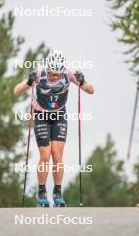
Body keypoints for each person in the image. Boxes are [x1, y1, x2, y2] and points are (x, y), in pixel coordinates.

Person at [14, 50, 94, 207]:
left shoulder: (69, 74)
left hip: (59, 116)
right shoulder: (39, 74)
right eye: (52, 74)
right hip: (42, 115)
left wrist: (83, 82)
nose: (55, 77)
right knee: (45, 155)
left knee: (57, 156)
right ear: (48, 68)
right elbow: (16, 91)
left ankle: (58, 192)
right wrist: (28, 83)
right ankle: (41, 192)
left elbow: (91, 90)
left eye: (58, 74)